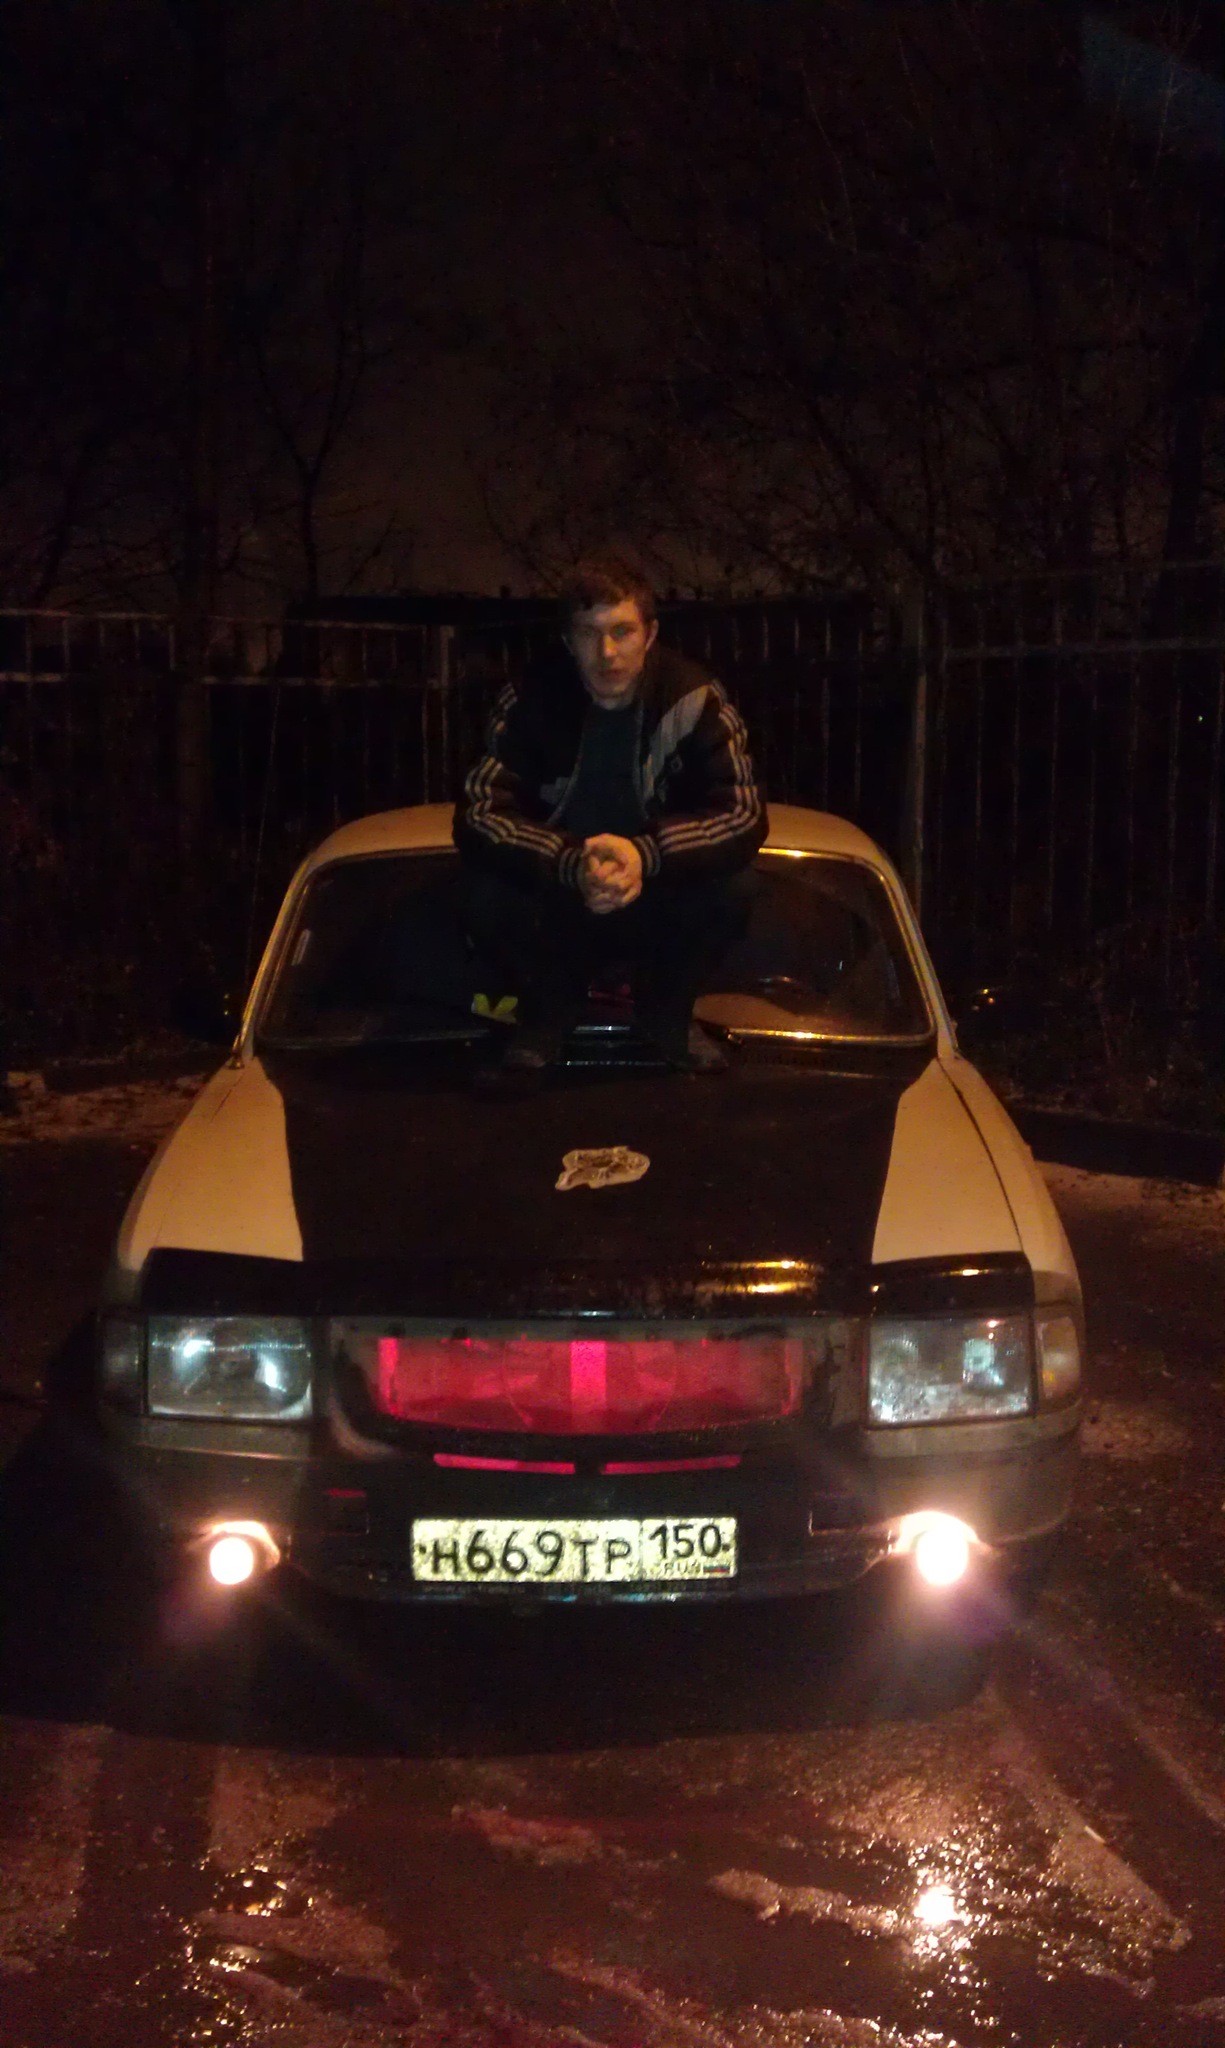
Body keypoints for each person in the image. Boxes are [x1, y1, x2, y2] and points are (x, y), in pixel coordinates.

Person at [453, 553, 766, 1087]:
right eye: (589, 634)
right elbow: (479, 812)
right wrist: (570, 862)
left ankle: (667, 1011)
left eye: (622, 631)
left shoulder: (696, 699)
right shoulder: (529, 699)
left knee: (736, 886)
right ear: (567, 640)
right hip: (558, 900)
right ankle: (546, 1011)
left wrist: (645, 855)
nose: (607, 653)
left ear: (650, 634)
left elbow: (743, 812)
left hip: (658, 898)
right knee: (482, 889)